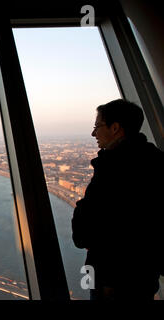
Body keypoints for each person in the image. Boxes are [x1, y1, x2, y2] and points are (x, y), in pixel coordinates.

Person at [72, 99, 163, 300]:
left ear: (115, 128)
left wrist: (86, 231)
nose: (93, 133)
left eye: (97, 126)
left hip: (112, 279)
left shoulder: (113, 168)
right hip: (144, 275)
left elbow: (85, 227)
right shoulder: (156, 161)